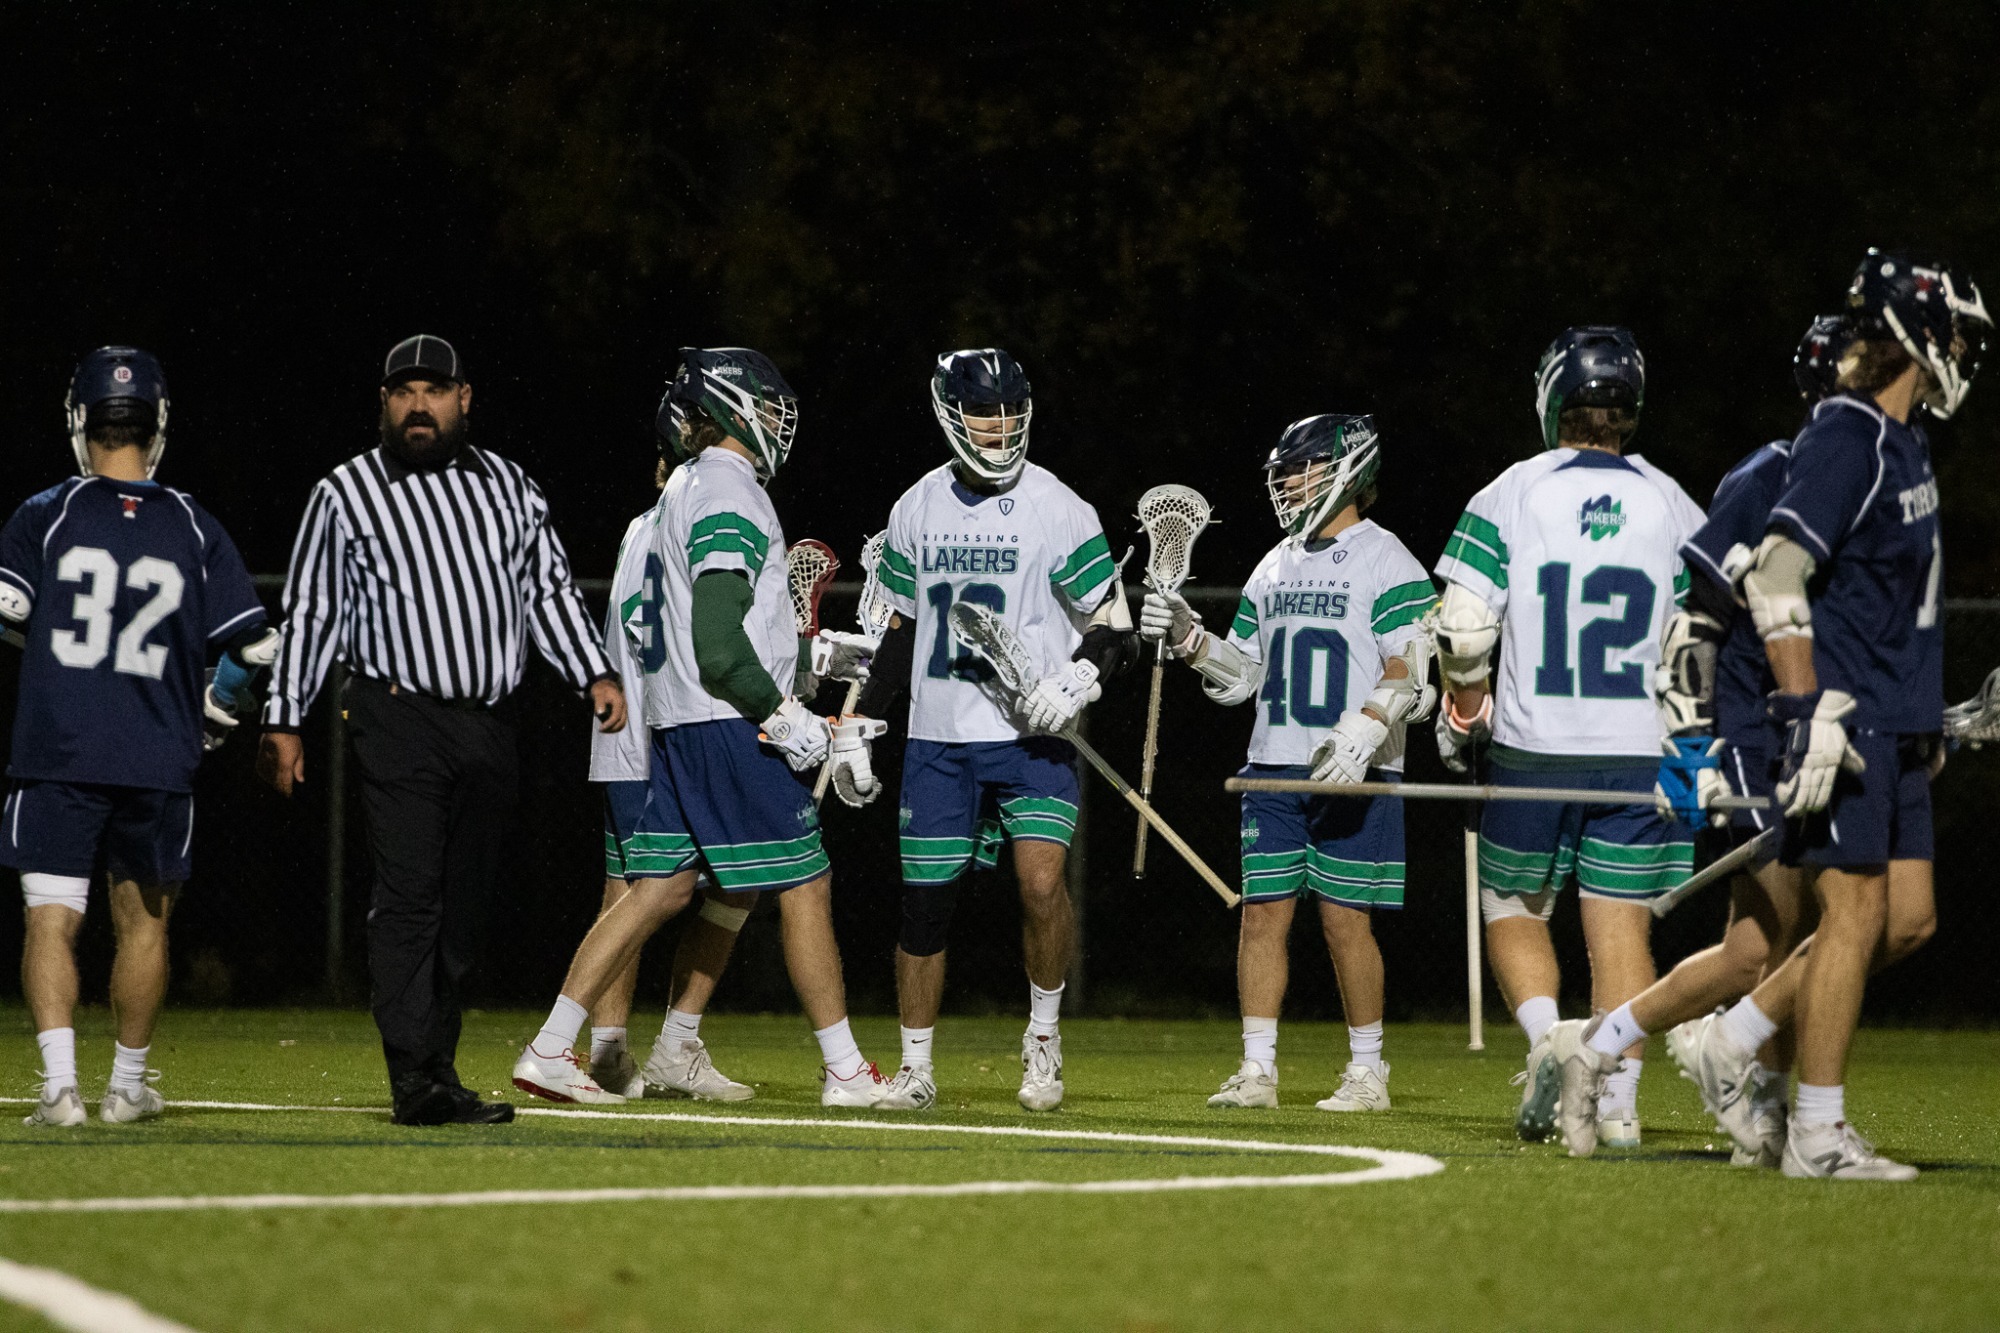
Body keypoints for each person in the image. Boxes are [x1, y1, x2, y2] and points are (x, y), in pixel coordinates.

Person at [1668, 253, 1988, 1180]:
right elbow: (1772, 572)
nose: (1963, 352)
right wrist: (1806, 712)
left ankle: (1735, 1035)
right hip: (1846, 717)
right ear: (1913, 336)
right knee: (1852, 913)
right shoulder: (1847, 434)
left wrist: (1934, 717)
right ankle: (1815, 1132)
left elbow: (1890, 598)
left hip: (1896, 715)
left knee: (1909, 921)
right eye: (1955, 333)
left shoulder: (1906, 438)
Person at [259, 334, 625, 1127]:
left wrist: (593, 672)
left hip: (488, 724)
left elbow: (549, 593)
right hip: (396, 715)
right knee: (411, 894)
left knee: (462, 907)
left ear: (466, 398)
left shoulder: (510, 488)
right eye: (402, 391)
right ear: (383, 404)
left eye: (433, 389)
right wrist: (285, 717)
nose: (417, 404)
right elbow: (315, 613)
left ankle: (436, 1065)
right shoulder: (347, 491)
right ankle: (417, 1078)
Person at [511, 347, 891, 1108]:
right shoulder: (726, 487)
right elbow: (718, 641)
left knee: (659, 887)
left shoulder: (673, 494)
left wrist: (797, 662)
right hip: (723, 720)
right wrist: (787, 717)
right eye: (768, 403)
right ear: (729, 404)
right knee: (806, 881)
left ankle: (553, 1045)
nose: (781, 419)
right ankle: (846, 1069)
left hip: (673, 722)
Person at [1433, 326, 1705, 1156]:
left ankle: (1553, 1041)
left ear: (1555, 398)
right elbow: (1698, 640)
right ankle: (1617, 1102)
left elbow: (1467, 625)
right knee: (1620, 923)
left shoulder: (1512, 490)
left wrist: (1464, 712)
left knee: (1512, 905)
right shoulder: (1672, 500)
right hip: (1638, 743)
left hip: (1534, 742)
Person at [854, 348, 1136, 1113]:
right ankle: (916, 1067)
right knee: (925, 904)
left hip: (1030, 736)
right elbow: (903, 632)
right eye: (986, 411)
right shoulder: (916, 507)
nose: (1001, 426)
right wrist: (862, 722)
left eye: (1012, 410)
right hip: (940, 738)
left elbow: (1114, 625)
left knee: (1043, 885)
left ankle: (1043, 1038)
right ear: (950, 411)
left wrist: (1075, 680)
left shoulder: (1059, 506)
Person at [6, 347, 273, 1127]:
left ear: (78, 420)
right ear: (156, 424)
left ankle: (60, 1088)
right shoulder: (191, 523)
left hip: (58, 745)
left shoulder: (45, 511)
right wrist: (220, 709)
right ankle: (126, 1086)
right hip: (156, 749)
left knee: (51, 916)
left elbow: (8, 610)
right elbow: (256, 647)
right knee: (145, 921)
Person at [1141, 414, 1437, 1112]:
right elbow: (1243, 673)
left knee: (1345, 921)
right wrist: (1189, 637)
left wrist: (1367, 729)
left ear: (1348, 468)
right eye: (1287, 470)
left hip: (1354, 767)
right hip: (1273, 765)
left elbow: (1414, 666)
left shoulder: (1387, 557)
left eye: (1302, 467)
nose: (1288, 481)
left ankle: (1368, 1070)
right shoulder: (1272, 563)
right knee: (1261, 917)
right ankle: (1256, 1069)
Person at [579, 461, 758, 1101]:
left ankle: (607, 1051)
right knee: (736, 873)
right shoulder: (699, 523)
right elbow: (711, 638)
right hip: (673, 727)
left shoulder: (638, 530)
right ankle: (650, 1041)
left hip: (624, 729)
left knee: (627, 889)